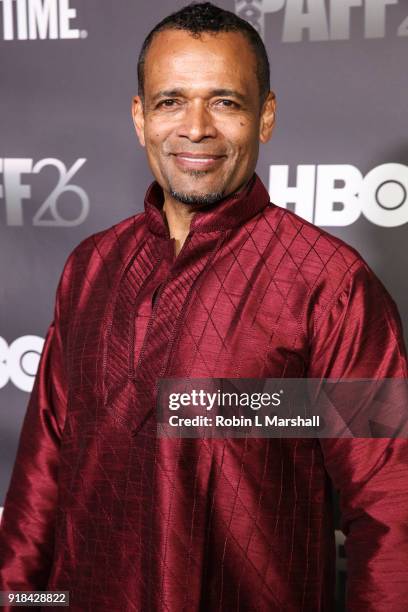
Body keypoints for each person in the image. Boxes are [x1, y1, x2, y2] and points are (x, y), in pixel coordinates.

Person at [1, 2, 407, 610]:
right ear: (140, 118)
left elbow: (390, 508)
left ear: (265, 116)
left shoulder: (330, 285)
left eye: (225, 101)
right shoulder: (90, 269)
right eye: (170, 101)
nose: (196, 128)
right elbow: (42, 481)